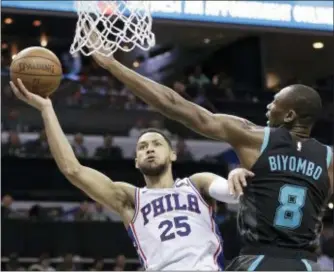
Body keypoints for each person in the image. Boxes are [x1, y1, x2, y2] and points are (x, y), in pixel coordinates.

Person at [87, 29, 333, 270]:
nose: (268, 107)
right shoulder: (328, 159)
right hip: (307, 264)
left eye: (275, 102)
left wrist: (113, 65)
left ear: (289, 115)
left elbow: (175, 105)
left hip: (260, 260)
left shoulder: (255, 138)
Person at [10, 79, 252, 271]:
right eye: (142, 147)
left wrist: (237, 176)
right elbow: (72, 169)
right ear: (136, 161)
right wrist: (46, 109)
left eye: (156, 144)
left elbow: (230, 191)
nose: (149, 149)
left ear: (173, 154)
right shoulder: (130, 198)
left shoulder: (196, 183)